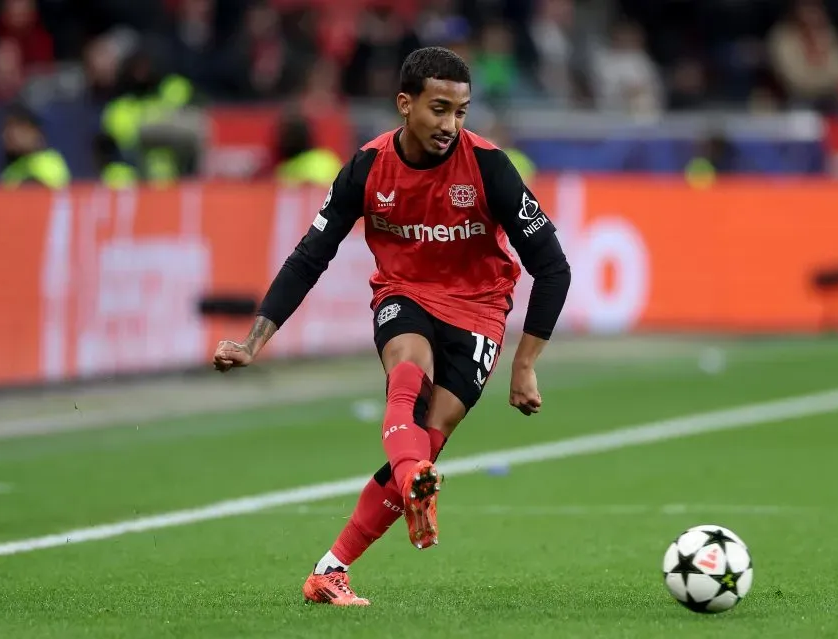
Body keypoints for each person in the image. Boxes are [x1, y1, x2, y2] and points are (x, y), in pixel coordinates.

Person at [211, 47, 572, 606]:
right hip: (404, 293)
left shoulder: (491, 168)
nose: (451, 125)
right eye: (439, 108)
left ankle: (330, 570)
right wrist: (254, 340)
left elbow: (552, 266)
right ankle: (414, 483)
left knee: (428, 438)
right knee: (409, 368)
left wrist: (524, 365)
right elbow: (311, 254)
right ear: (405, 104)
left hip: (479, 309)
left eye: (462, 111)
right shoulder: (366, 167)